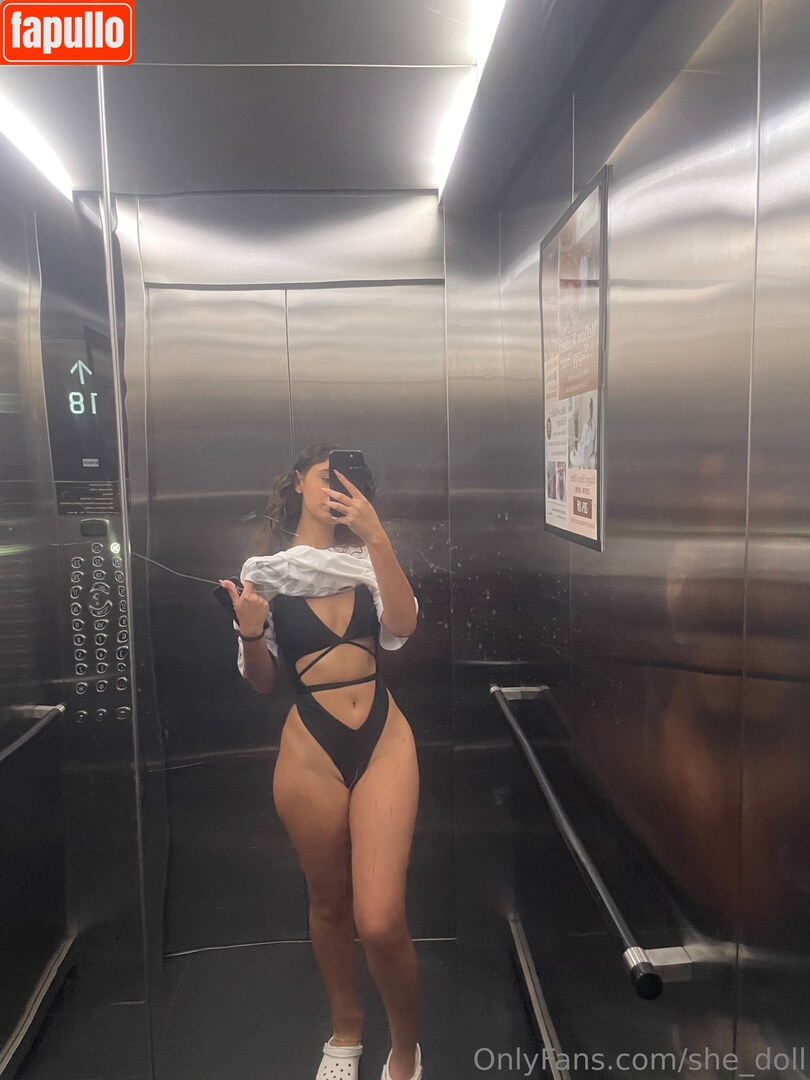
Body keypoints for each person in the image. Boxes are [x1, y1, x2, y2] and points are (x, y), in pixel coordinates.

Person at [218, 443, 422, 1080]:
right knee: (330, 902)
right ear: (299, 486)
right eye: (323, 476)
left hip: (384, 738)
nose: (335, 487)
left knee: (380, 919)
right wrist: (250, 629)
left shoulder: (367, 559)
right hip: (311, 748)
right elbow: (262, 681)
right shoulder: (266, 573)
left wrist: (377, 537)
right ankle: (346, 1031)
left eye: (346, 479)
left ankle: (406, 1050)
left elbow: (403, 626)